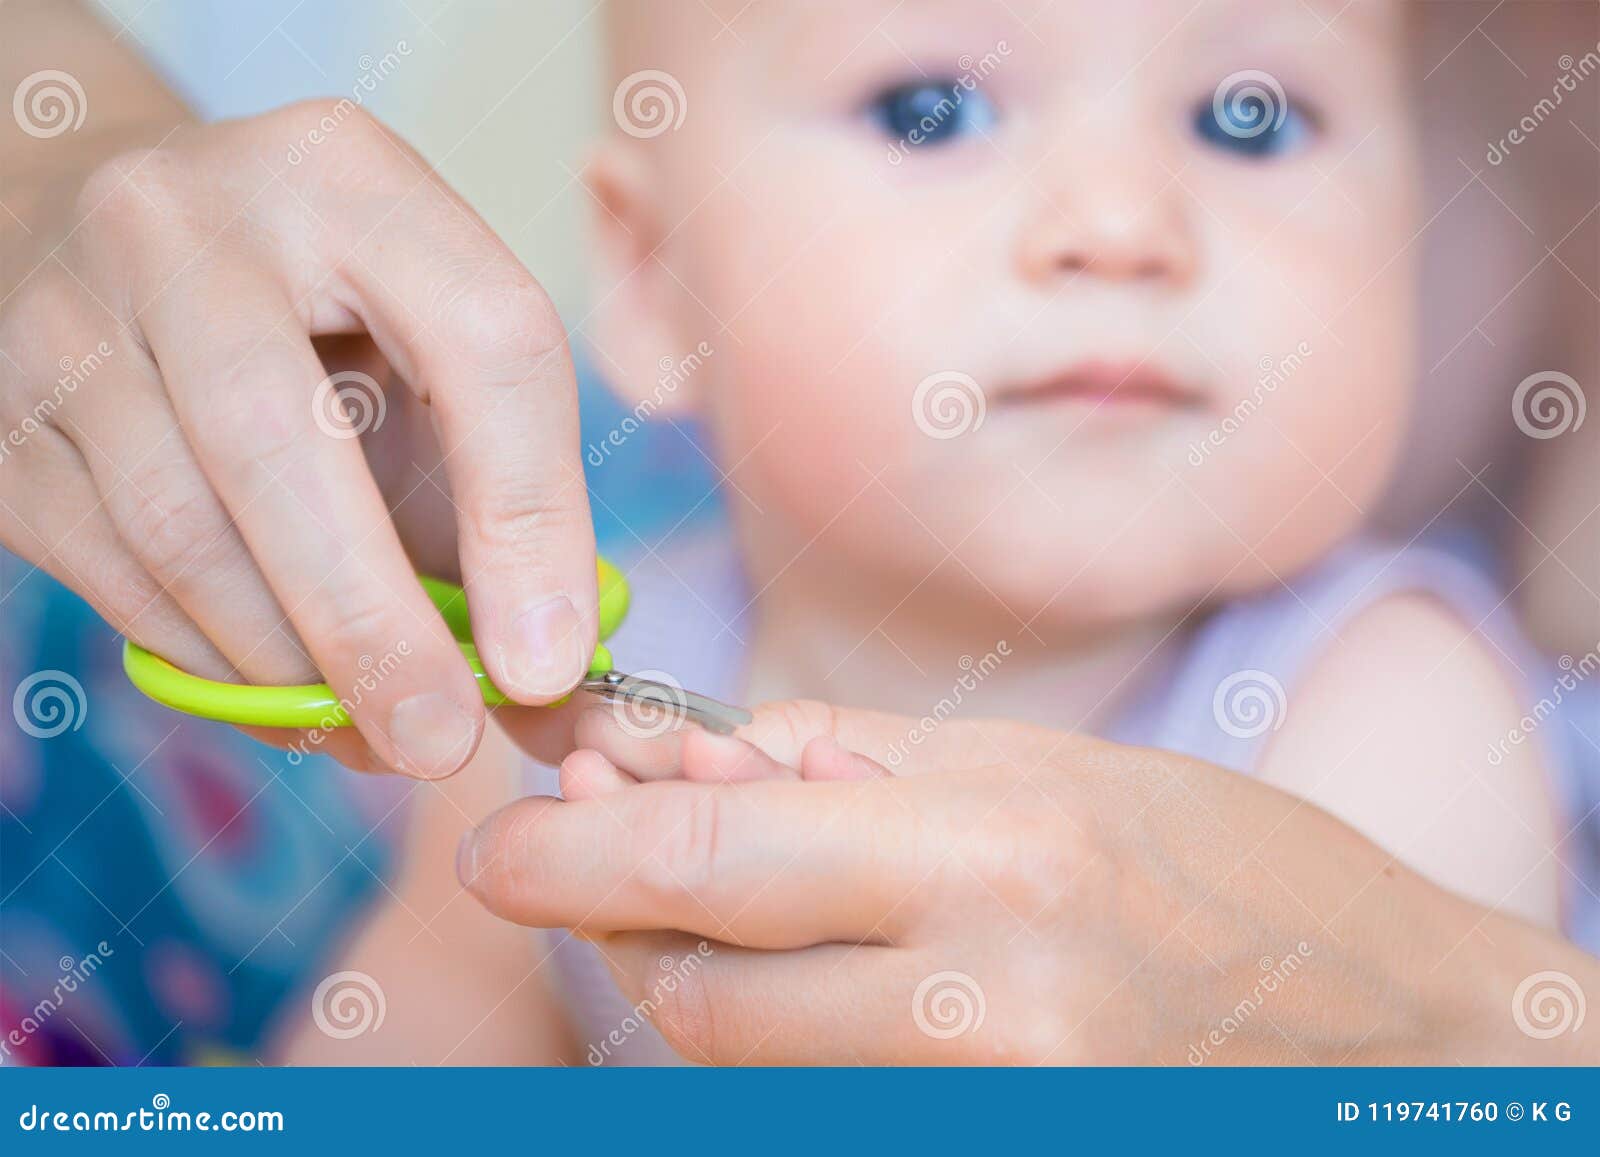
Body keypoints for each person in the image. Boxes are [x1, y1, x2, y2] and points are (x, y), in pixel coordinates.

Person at [1, 0, 1592, 1066]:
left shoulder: (1391, 711)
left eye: (1249, 119)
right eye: (931, 107)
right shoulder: (565, 689)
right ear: (647, 278)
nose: (1121, 223)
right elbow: (408, 1050)